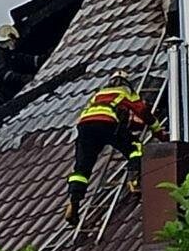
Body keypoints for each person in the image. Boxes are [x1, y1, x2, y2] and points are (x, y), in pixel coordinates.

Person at [63, 71, 167, 225]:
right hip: (107, 124)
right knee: (135, 148)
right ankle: (134, 180)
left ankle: (74, 202)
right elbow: (142, 111)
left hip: (85, 128)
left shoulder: (98, 94)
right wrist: (158, 132)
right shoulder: (124, 91)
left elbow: (107, 114)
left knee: (82, 168)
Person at [0, 25, 40, 114]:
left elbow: (25, 59)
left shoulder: (9, 55)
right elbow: (2, 73)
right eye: (13, 40)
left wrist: (42, 59)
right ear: (8, 40)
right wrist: (23, 78)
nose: (14, 43)